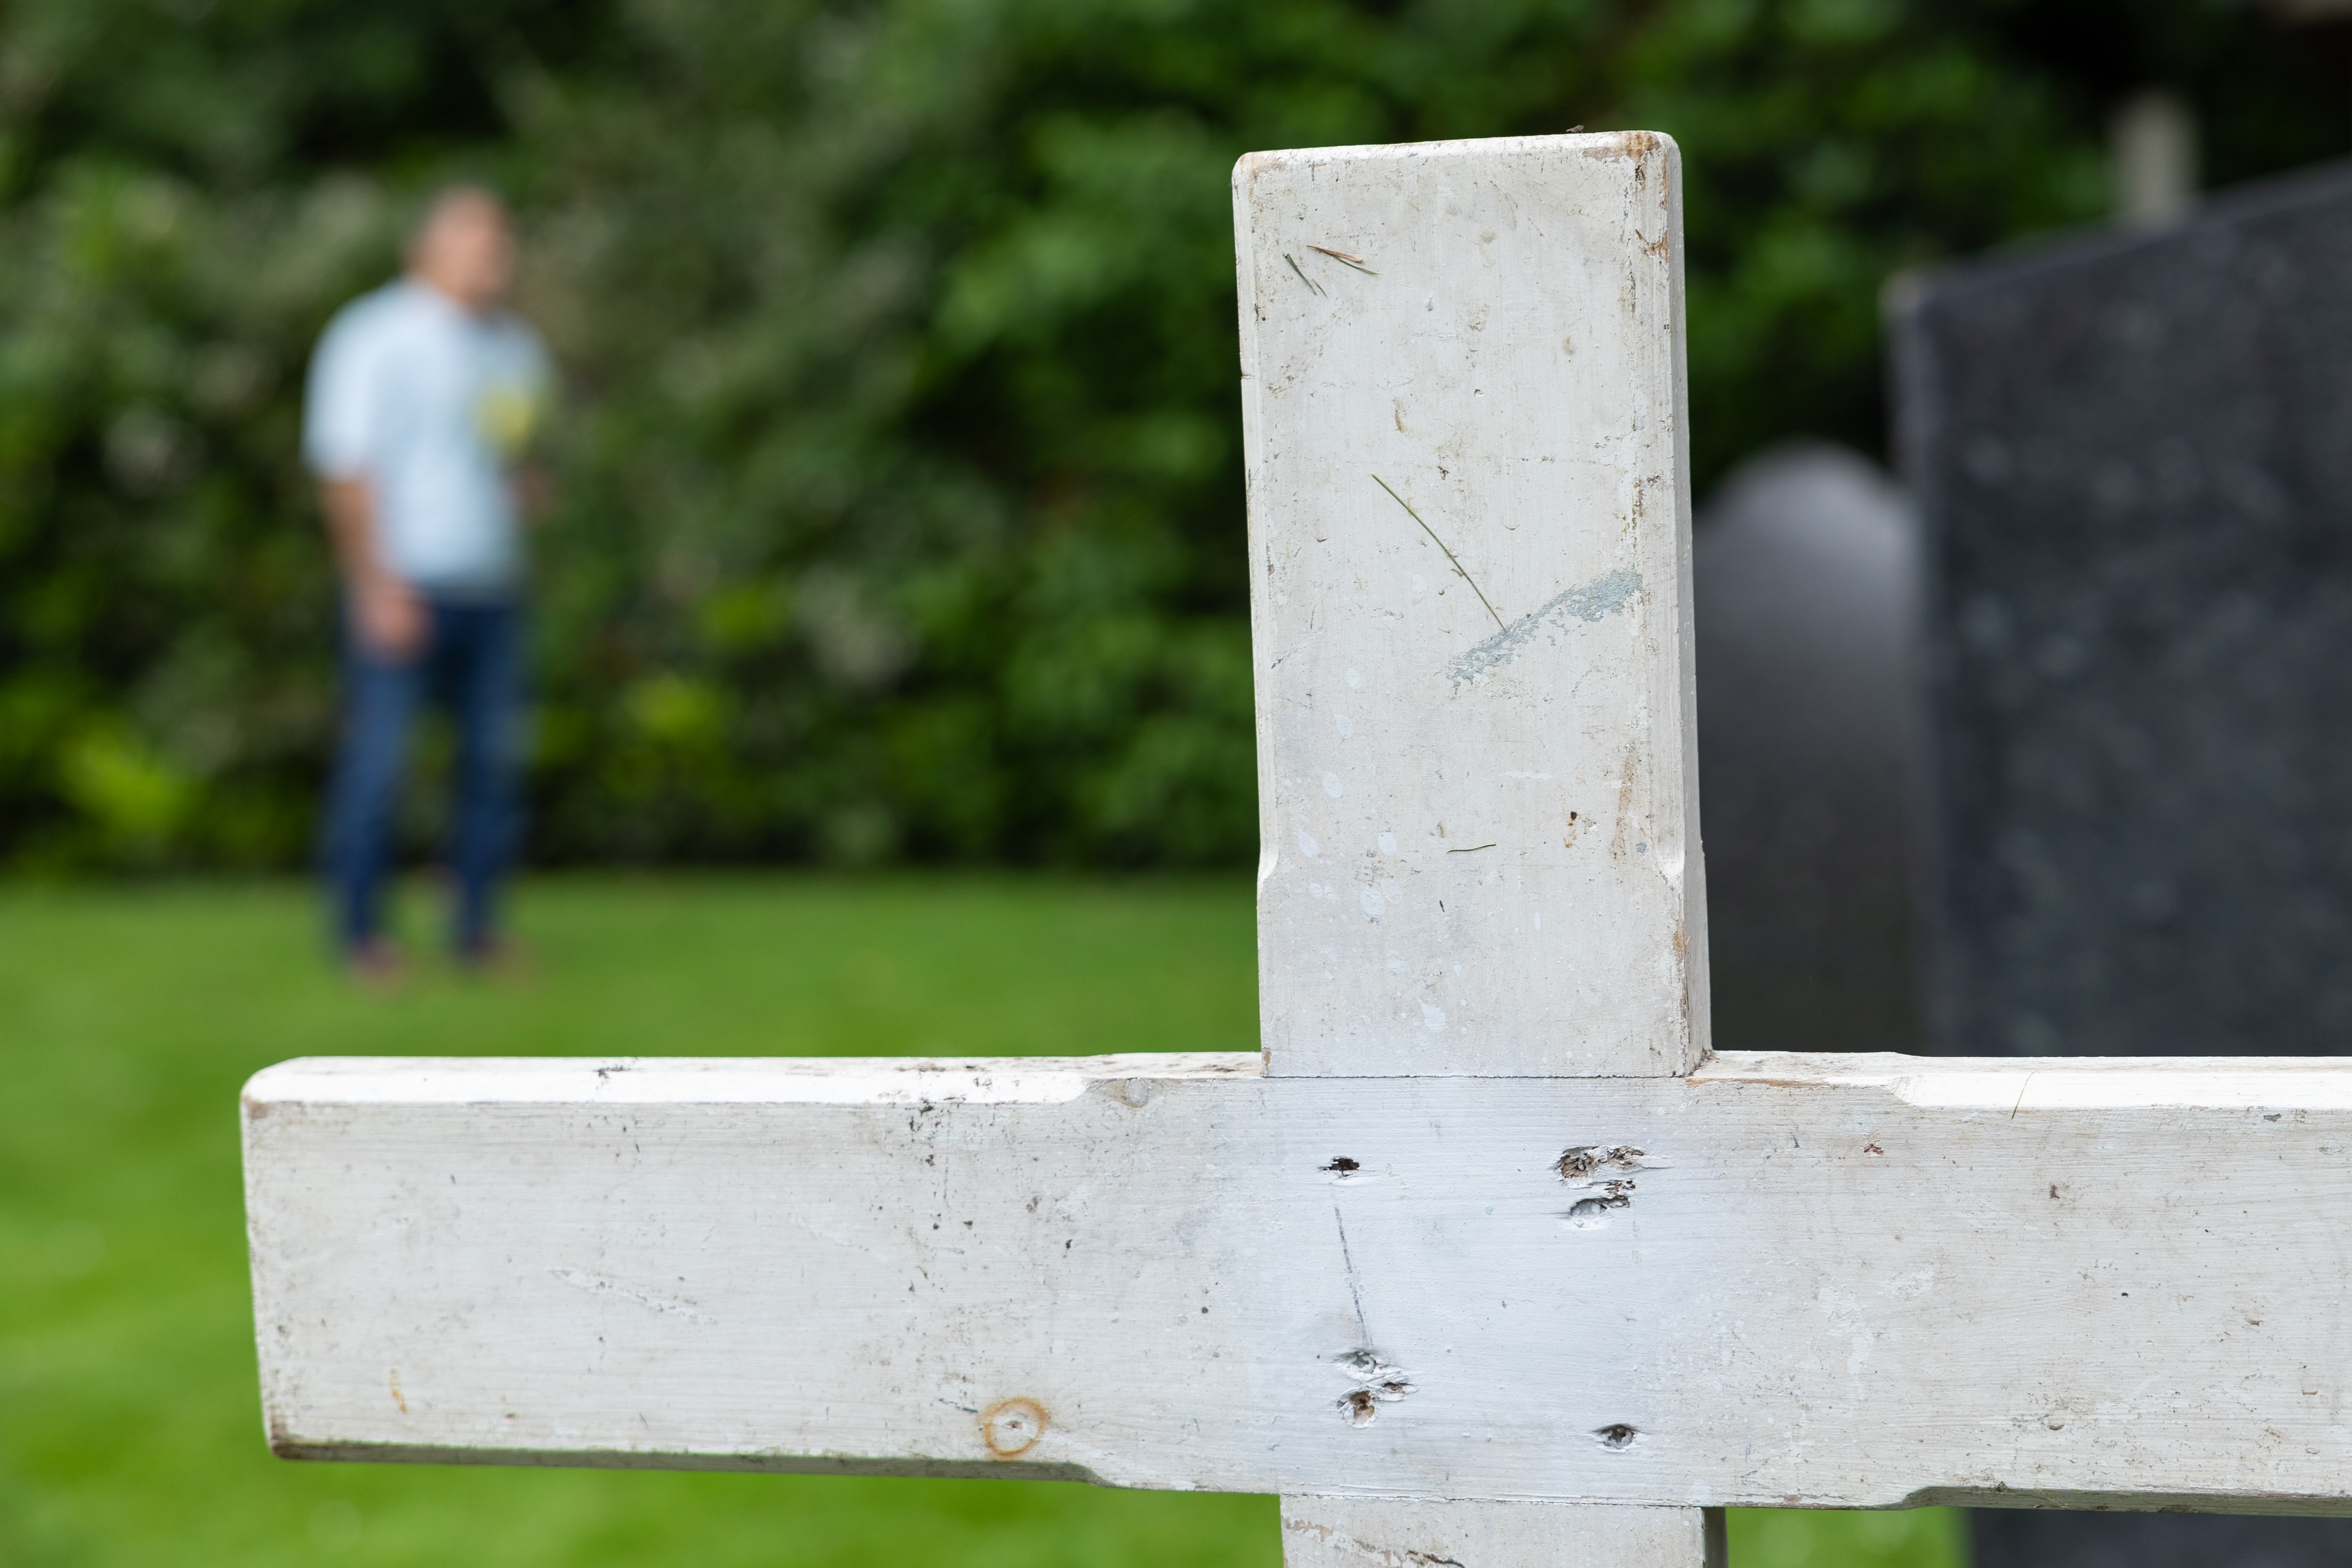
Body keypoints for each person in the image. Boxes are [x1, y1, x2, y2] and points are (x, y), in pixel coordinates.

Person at [304, 186, 551, 982]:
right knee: (381, 769)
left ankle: (475, 930)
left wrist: (525, 490)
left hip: (493, 587)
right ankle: (361, 935)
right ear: (430, 248)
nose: (496, 260)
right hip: (407, 587)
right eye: (480, 243)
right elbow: (346, 469)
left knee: (491, 768)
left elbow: (507, 457)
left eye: (502, 243)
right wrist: (377, 584)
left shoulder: (515, 349)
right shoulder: (376, 336)